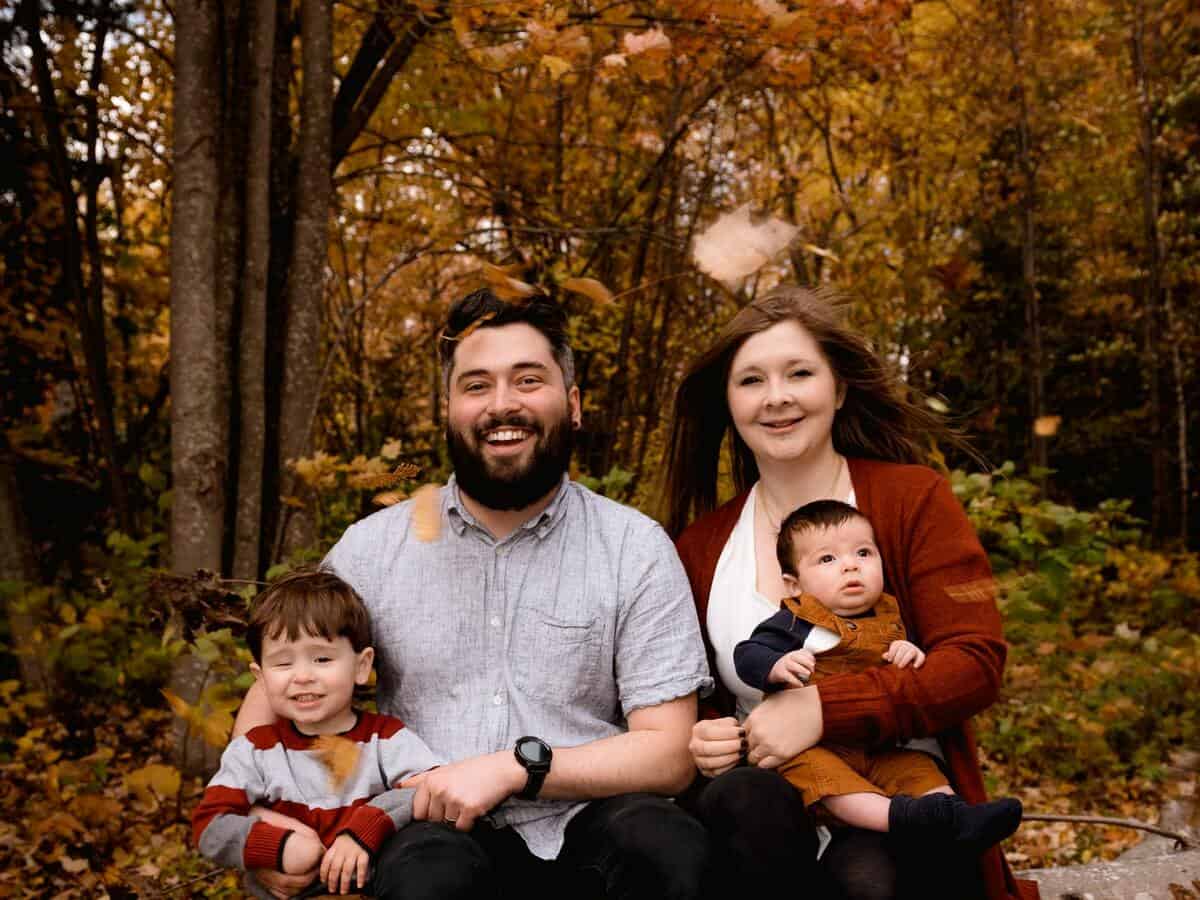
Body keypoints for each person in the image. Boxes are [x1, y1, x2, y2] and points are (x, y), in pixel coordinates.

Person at [231, 289, 713, 900]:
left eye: (528, 380)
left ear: (573, 404)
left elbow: (668, 753)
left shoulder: (634, 547)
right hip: (423, 824)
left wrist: (517, 768)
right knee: (426, 882)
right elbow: (278, 683)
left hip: (588, 814)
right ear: (449, 408)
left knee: (669, 849)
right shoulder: (372, 550)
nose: (502, 405)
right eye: (477, 385)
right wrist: (256, 816)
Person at [665, 284, 1038, 900]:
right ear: (728, 403)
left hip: (898, 798)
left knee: (868, 878)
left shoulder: (913, 499)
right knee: (739, 798)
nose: (777, 397)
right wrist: (706, 735)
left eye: (800, 373)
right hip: (771, 815)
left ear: (837, 389)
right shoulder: (701, 546)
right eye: (751, 380)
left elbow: (974, 663)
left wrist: (822, 709)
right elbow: (700, 699)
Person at [734, 499, 1022, 850]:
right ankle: (898, 819)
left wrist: (910, 652)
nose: (850, 566)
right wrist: (774, 666)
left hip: (879, 744)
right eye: (828, 559)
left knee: (918, 767)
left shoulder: (890, 617)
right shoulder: (796, 622)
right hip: (814, 746)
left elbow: (916, 673)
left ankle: (954, 816)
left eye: (864, 553)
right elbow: (747, 654)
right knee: (827, 781)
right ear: (794, 585)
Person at [192, 569, 440, 897]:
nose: (303, 676)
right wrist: (281, 846)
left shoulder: (385, 740)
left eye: (322, 658)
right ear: (261, 677)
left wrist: (363, 830)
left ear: (361, 666)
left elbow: (428, 789)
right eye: (283, 664)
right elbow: (209, 824)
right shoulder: (255, 751)